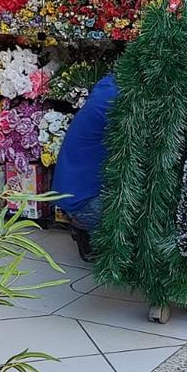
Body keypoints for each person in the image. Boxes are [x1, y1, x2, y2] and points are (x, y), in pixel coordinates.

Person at [51, 73, 117, 261]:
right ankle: (90, 232)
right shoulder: (115, 103)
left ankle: (85, 231)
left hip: (72, 195)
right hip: (84, 202)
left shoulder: (108, 87)